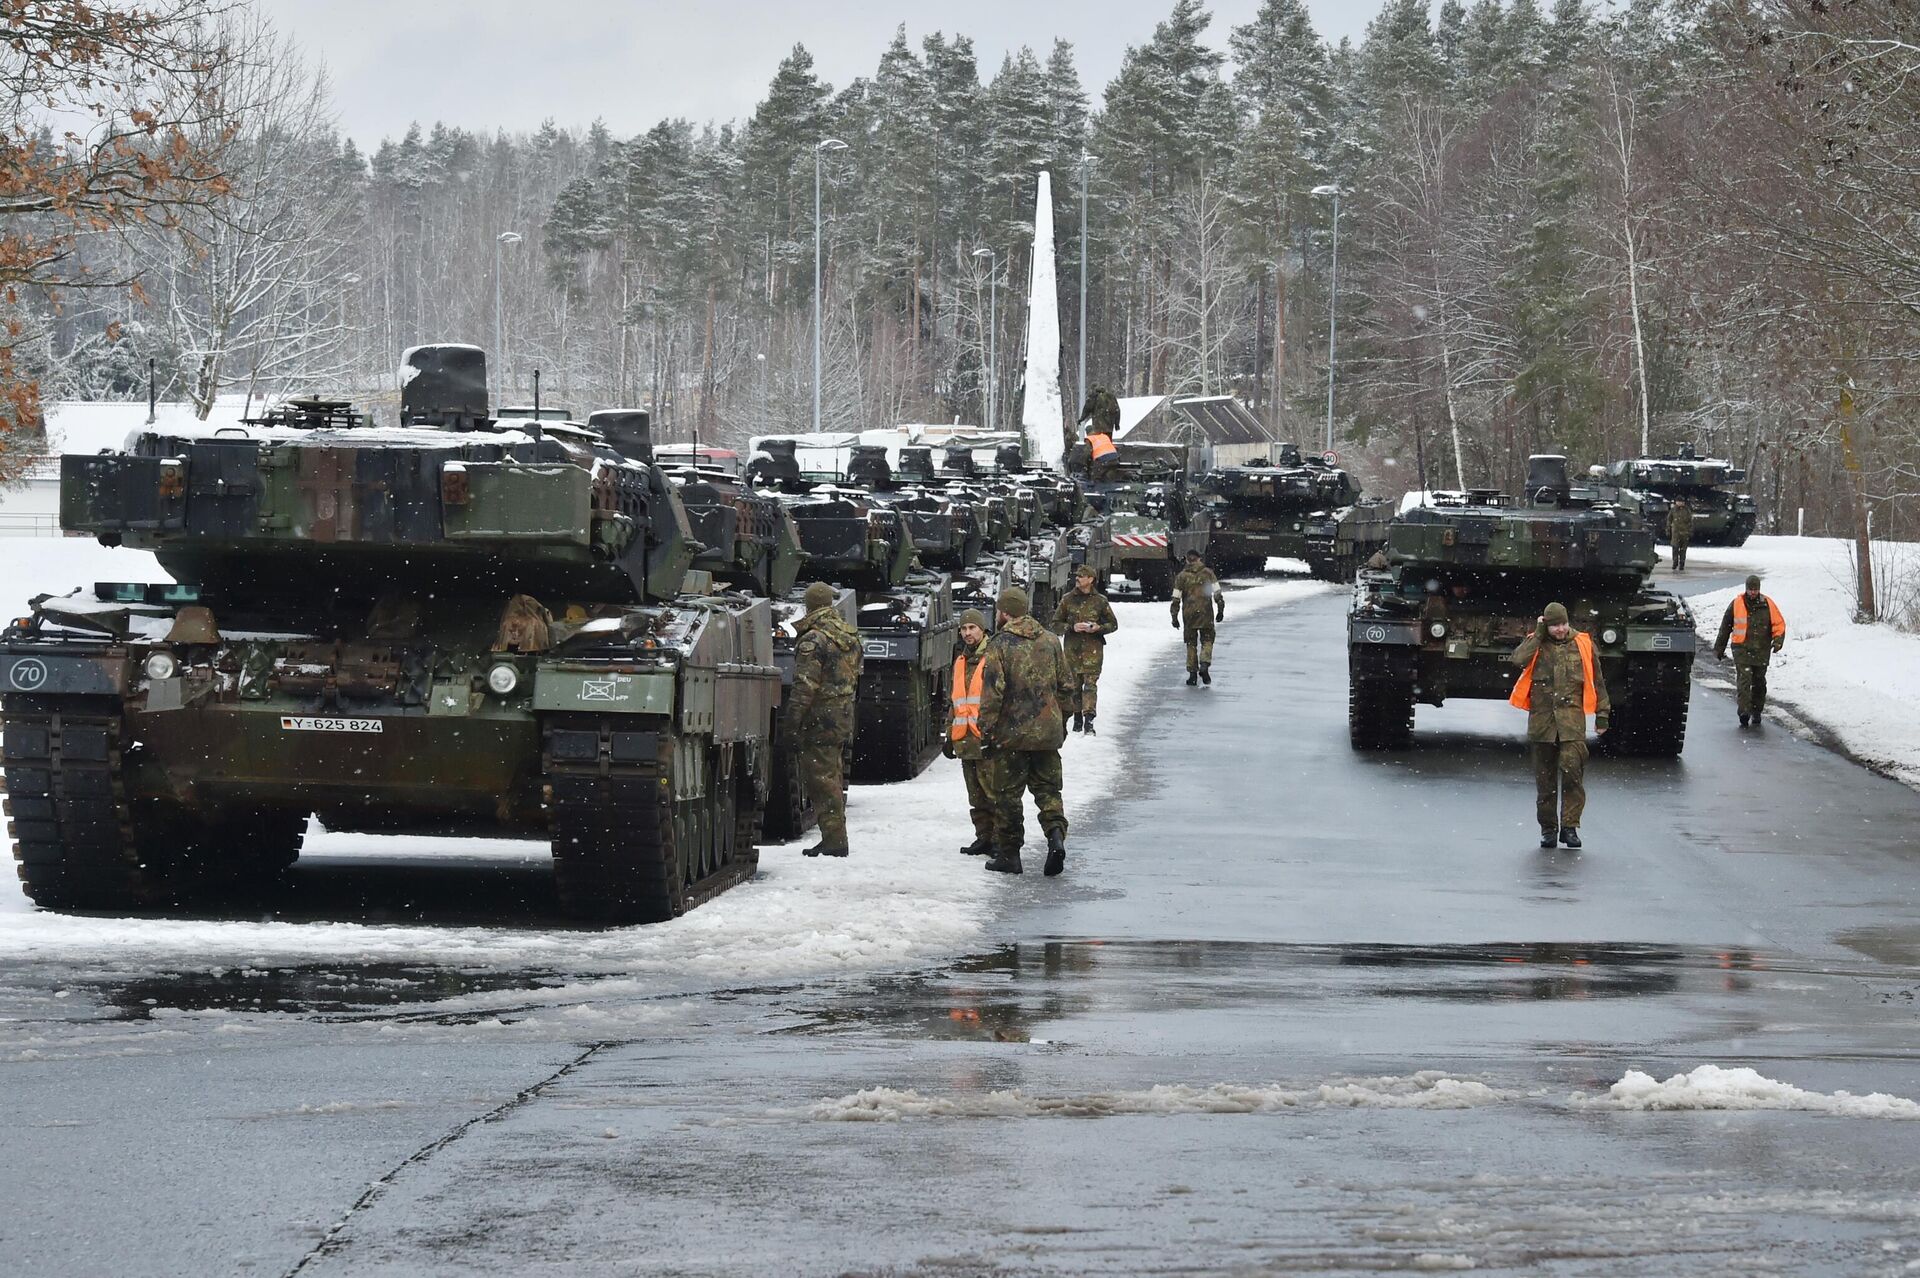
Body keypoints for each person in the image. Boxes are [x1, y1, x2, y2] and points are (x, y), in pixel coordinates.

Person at [977, 586, 1075, 877]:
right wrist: (1061, 721)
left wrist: (986, 731)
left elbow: (992, 694)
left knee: (1007, 795)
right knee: (1048, 790)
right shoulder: (1050, 640)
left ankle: (1010, 855)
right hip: (1047, 734)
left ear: (1005, 613)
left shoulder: (1000, 645)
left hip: (1012, 736)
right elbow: (1067, 687)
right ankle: (1055, 835)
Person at [1509, 601, 1610, 850]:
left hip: (1572, 723)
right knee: (1545, 782)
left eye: (1563, 624)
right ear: (1547, 625)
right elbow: (1518, 660)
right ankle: (1548, 829)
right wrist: (1539, 633)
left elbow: (1597, 681)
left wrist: (1602, 714)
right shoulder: (1536, 643)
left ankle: (1570, 827)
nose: (1561, 630)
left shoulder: (1583, 644)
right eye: (1555, 626)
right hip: (1542, 724)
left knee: (1573, 774)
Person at [786, 582, 862, 857]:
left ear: (810, 605)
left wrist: (792, 723)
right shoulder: (848, 635)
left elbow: (805, 686)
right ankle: (834, 835)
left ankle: (834, 839)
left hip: (819, 718)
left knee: (821, 780)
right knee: (833, 775)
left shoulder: (813, 639)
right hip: (842, 714)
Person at [943, 609, 994, 856]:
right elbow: (956, 701)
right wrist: (948, 734)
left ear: (982, 629)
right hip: (965, 739)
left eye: (972, 628)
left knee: (993, 793)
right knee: (976, 795)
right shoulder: (961, 661)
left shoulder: (992, 658)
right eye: (963, 629)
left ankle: (1001, 841)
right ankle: (984, 837)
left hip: (986, 739)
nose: (967, 633)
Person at [1050, 563, 1119, 734]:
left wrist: (1098, 628)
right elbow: (1055, 624)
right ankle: (1077, 718)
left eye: (1082, 576)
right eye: (1077, 576)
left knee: (1090, 685)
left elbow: (1113, 624)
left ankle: (1089, 719)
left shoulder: (1100, 601)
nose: (1078, 579)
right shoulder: (1067, 599)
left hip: (1092, 651)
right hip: (1072, 651)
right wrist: (1072, 627)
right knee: (1073, 686)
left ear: (1091, 579)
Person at [1713, 574, 1786, 727]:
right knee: (1744, 681)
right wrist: (1719, 648)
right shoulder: (1737, 604)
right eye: (1750, 589)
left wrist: (1778, 641)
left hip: (1761, 650)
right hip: (1742, 650)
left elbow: (1779, 624)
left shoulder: (1768, 604)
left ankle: (1757, 710)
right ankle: (1744, 712)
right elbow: (1725, 627)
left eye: (1756, 589)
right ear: (1746, 589)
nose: (1753, 592)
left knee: (1759, 682)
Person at [1170, 549, 1225, 686]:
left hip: (1189, 615)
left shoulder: (1181, 576)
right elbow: (1217, 592)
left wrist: (1174, 617)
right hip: (1206, 613)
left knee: (1191, 643)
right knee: (1207, 640)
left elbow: (1176, 598)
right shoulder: (1208, 573)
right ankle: (1205, 663)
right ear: (1199, 559)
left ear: (1187, 560)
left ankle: (1192, 675)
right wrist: (1220, 609)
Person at [1077, 387, 1121, 483]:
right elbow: (1117, 410)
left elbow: (1087, 408)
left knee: (1096, 478)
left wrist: (1085, 467)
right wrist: (1117, 424)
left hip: (1099, 426)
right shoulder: (1111, 397)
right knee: (1107, 446)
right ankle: (1109, 478)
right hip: (1109, 428)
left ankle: (1098, 485)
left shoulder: (1094, 397)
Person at [1667, 498, 1694, 571]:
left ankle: (1682, 564)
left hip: (1685, 533)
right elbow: (1669, 520)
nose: (1680, 503)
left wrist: (1690, 531)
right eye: (1678, 502)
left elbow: (1690, 521)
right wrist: (1668, 530)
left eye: (1681, 502)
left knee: (1683, 550)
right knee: (1675, 548)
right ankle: (1675, 562)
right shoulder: (1673, 510)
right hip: (1675, 533)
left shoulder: (1687, 510)